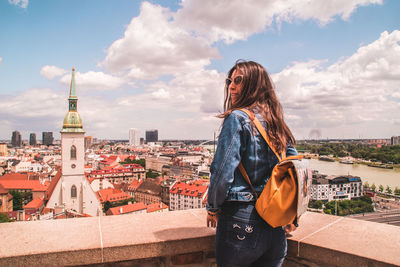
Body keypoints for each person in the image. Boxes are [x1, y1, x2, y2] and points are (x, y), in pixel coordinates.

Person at [206, 60, 298, 267]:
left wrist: (212, 208)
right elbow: (294, 171)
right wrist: (293, 214)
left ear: (254, 84)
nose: (231, 86)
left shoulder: (237, 118)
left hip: (242, 220)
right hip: (275, 223)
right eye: (230, 80)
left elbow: (222, 172)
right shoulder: (276, 121)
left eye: (238, 80)